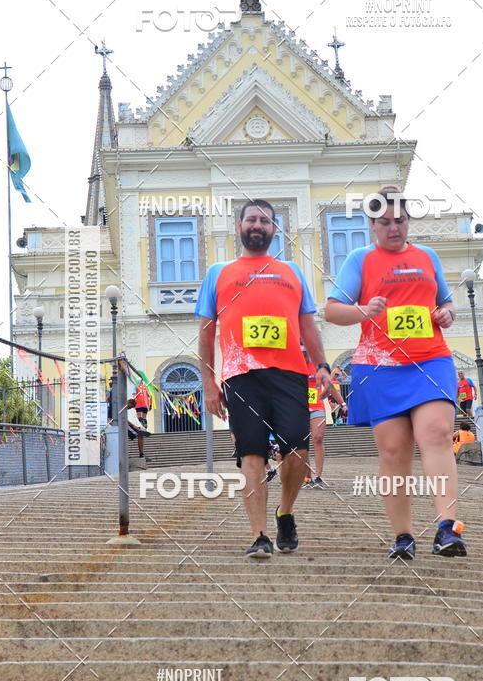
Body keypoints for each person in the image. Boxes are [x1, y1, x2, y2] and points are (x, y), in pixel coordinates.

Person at [324, 186, 468, 559]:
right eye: (385, 222)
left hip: (430, 359)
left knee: (435, 433)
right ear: (372, 224)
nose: (394, 228)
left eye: (400, 221)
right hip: (379, 365)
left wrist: (447, 314)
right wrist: (365, 310)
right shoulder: (360, 259)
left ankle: (446, 528)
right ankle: (403, 535)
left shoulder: (427, 256)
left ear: (408, 221)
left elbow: (446, 302)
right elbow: (332, 310)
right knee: (393, 451)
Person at [196, 199, 333, 560]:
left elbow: (308, 326)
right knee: (251, 451)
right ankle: (259, 535)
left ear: (275, 230)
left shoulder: (291, 271)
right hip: (241, 375)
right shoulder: (218, 273)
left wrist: (322, 367)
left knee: (297, 448)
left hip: (290, 373)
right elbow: (207, 333)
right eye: (252, 219)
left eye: (266, 221)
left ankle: (285, 512)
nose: (259, 225)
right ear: (239, 225)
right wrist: (209, 383)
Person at [301, 345, 347, 488]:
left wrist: (343, 404)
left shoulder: (318, 366)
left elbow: (330, 386)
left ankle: (319, 477)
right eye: (301, 351)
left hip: (317, 407)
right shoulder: (293, 364)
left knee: (318, 437)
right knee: (302, 443)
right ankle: (307, 477)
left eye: (305, 351)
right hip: (298, 408)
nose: (304, 354)